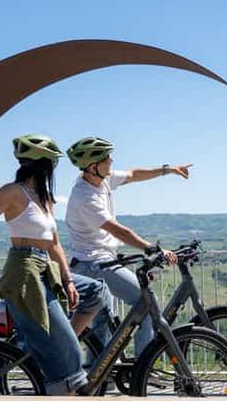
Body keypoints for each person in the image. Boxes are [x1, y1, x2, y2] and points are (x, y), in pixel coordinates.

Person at [0, 134, 108, 395]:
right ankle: (59, 389)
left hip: (46, 269)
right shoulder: (13, 192)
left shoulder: (43, 198)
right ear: (44, 165)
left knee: (96, 292)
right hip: (24, 272)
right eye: (52, 164)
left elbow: (54, 244)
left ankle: (43, 349)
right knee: (69, 355)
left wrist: (68, 280)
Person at [65, 136, 191, 357]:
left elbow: (133, 174)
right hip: (92, 265)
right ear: (93, 166)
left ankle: (99, 382)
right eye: (107, 157)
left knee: (101, 326)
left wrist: (168, 170)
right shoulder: (84, 197)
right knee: (144, 302)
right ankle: (144, 368)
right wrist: (151, 248)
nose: (112, 160)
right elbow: (118, 230)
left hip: (98, 262)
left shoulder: (101, 180)